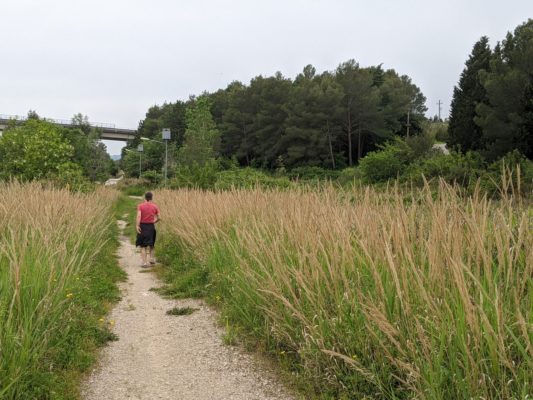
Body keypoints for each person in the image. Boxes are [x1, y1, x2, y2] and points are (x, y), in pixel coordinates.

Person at [135, 191, 161, 268]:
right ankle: (152, 259)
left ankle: (144, 263)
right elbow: (159, 217)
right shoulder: (155, 206)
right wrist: (154, 221)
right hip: (151, 227)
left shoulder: (140, 206)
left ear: (145, 198)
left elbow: (139, 216)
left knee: (143, 246)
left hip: (143, 226)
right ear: (151, 198)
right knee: (151, 244)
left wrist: (137, 225)